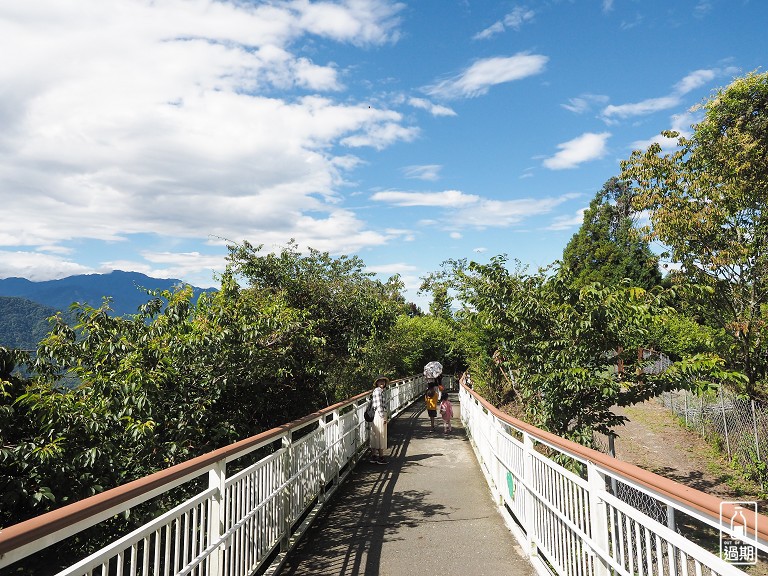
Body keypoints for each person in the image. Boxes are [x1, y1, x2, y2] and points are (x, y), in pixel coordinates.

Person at [369, 376, 389, 464]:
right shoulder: (378, 391)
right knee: (381, 435)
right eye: (380, 381)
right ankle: (381, 457)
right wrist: (383, 417)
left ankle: (374, 456)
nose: (382, 383)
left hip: (377, 415)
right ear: (377, 383)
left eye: (383, 381)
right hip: (379, 414)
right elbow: (379, 405)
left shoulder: (379, 391)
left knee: (376, 434)